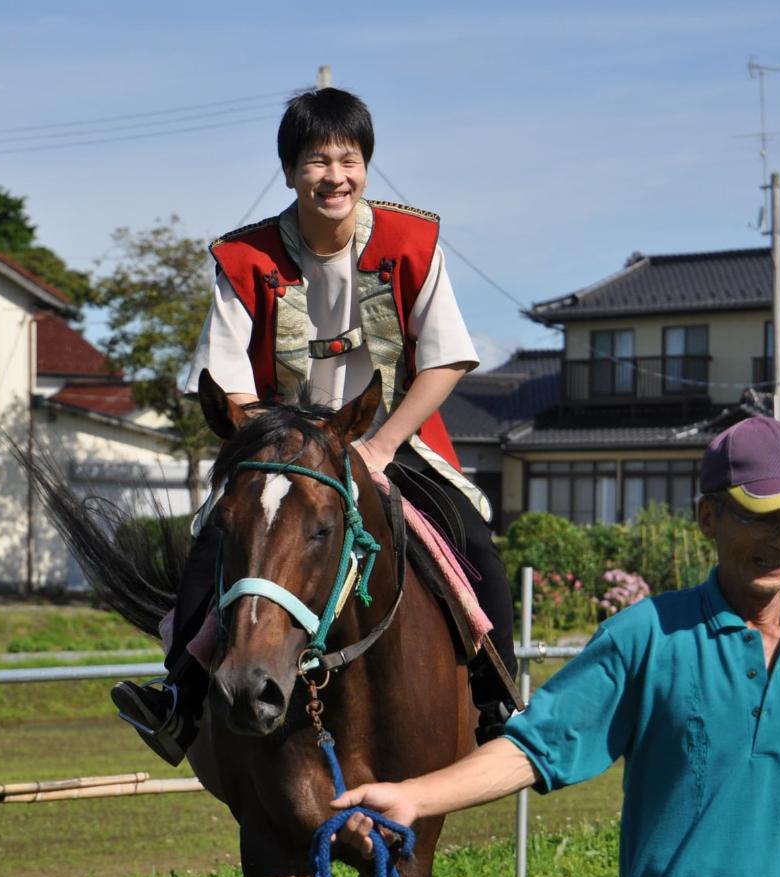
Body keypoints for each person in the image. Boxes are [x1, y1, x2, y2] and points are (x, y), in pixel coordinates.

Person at [330, 416, 780, 877]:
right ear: (709, 517)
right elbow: (535, 746)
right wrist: (415, 796)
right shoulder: (646, 637)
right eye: (764, 519)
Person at [110, 86, 518, 764]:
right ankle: (177, 699)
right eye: (317, 160)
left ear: (367, 166)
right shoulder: (245, 259)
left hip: (395, 437)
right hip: (285, 445)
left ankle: (499, 703)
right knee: (215, 541)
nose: (335, 175)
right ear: (291, 170)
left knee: (476, 546)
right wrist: (285, 438)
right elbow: (224, 380)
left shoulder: (413, 242)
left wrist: (381, 446)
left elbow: (446, 360)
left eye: (349, 158)